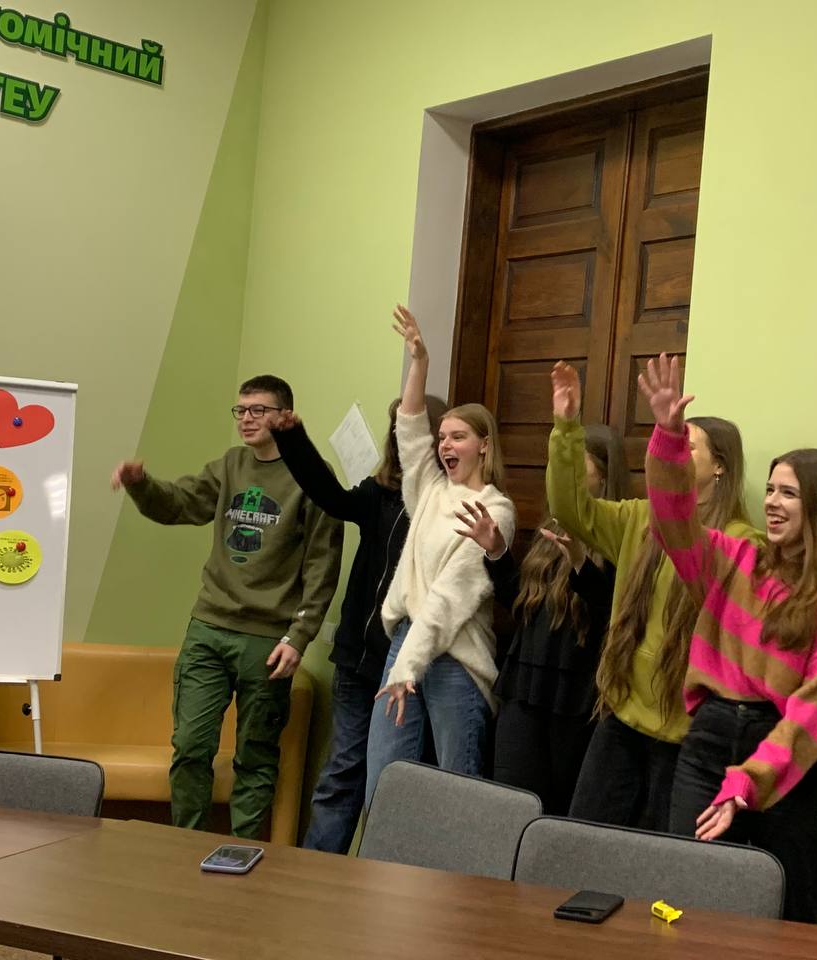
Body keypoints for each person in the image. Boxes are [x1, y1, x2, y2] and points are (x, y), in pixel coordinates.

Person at [639, 353, 817, 925]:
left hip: (791, 765)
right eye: (769, 489)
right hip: (710, 744)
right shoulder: (734, 558)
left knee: (798, 919)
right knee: (685, 908)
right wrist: (668, 438)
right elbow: (671, 519)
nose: (771, 502)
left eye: (788, 493)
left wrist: (749, 782)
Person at [110, 374, 342, 838]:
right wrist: (140, 485)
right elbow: (178, 504)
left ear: (284, 416)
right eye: (240, 410)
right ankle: (185, 847)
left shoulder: (312, 476)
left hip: (268, 640)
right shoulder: (231, 465)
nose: (246, 419)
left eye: (258, 410)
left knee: (255, 757)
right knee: (190, 747)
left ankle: (244, 856)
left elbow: (322, 566)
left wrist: (299, 637)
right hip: (209, 628)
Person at [547, 360, 759, 832]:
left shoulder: (743, 545)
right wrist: (566, 428)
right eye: (674, 442)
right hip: (622, 716)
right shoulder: (639, 518)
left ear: (720, 466)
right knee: (584, 840)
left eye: (689, 444)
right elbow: (571, 509)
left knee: (660, 863)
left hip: (689, 736)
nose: (677, 450)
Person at [269, 394, 447, 854]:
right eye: (396, 429)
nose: (400, 438)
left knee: (389, 782)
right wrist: (293, 439)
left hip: (407, 671)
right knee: (341, 775)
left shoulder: (444, 504)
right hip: (359, 660)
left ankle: (376, 877)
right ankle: (314, 873)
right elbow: (330, 497)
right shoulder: (379, 494)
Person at [363, 306, 515, 811]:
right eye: (443, 436)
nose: (445, 444)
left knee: (455, 797)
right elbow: (409, 431)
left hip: (456, 658)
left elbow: (448, 601)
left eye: (458, 436)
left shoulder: (494, 509)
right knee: (384, 784)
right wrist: (420, 362)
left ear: (483, 446)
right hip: (406, 644)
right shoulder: (429, 489)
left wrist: (407, 667)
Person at [455, 424, 629, 815]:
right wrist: (497, 552)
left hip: (576, 696)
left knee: (559, 813)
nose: (560, 474)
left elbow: (610, 612)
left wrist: (581, 562)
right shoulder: (552, 524)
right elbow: (522, 604)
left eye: (574, 465)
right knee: (510, 805)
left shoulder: (622, 531)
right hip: (525, 685)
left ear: (604, 474)